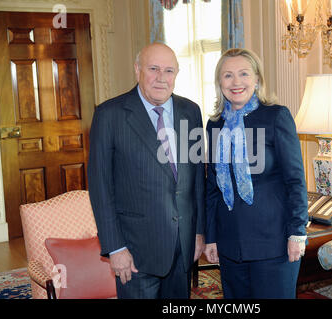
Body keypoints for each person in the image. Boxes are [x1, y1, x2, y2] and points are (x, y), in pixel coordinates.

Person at [88, 43, 205, 299]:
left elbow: (197, 181)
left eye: (169, 70)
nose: (161, 78)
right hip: (135, 252)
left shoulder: (191, 111)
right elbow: (100, 188)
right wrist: (115, 247)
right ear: (137, 69)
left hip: (182, 247)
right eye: (153, 69)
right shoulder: (109, 115)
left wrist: (198, 232)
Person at [204, 48, 309, 299]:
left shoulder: (276, 116)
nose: (236, 82)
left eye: (243, 74)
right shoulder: (214, 124)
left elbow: (295, 180)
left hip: (274, 242)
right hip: (230, 244)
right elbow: (211, 188)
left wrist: (297, 233)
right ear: (220, 82)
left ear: (257, 79)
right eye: (228, 75)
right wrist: (211, 237)